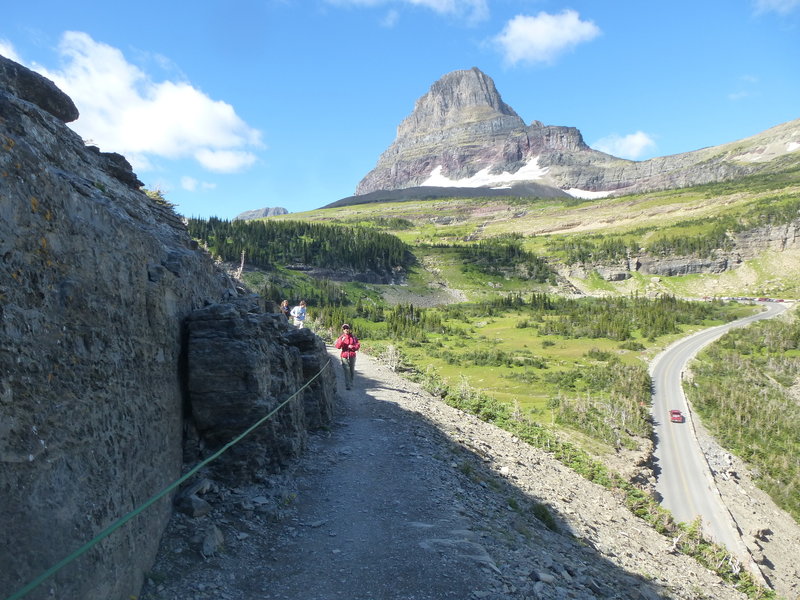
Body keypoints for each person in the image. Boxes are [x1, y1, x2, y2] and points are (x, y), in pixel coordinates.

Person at [334, 323, 360, 390]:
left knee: (351, 370)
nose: (346, 330)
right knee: (346, 370)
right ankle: (348, 385)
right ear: (343, 330)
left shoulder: (353, 337)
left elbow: (358, 345)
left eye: (347, 328)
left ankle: (351, 382)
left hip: (352, 355)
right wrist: (342, 342)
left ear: (349, 329)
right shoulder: (341, 337)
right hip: (344, 355)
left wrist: (353, 347)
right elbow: (337, 346)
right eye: (344, 328)